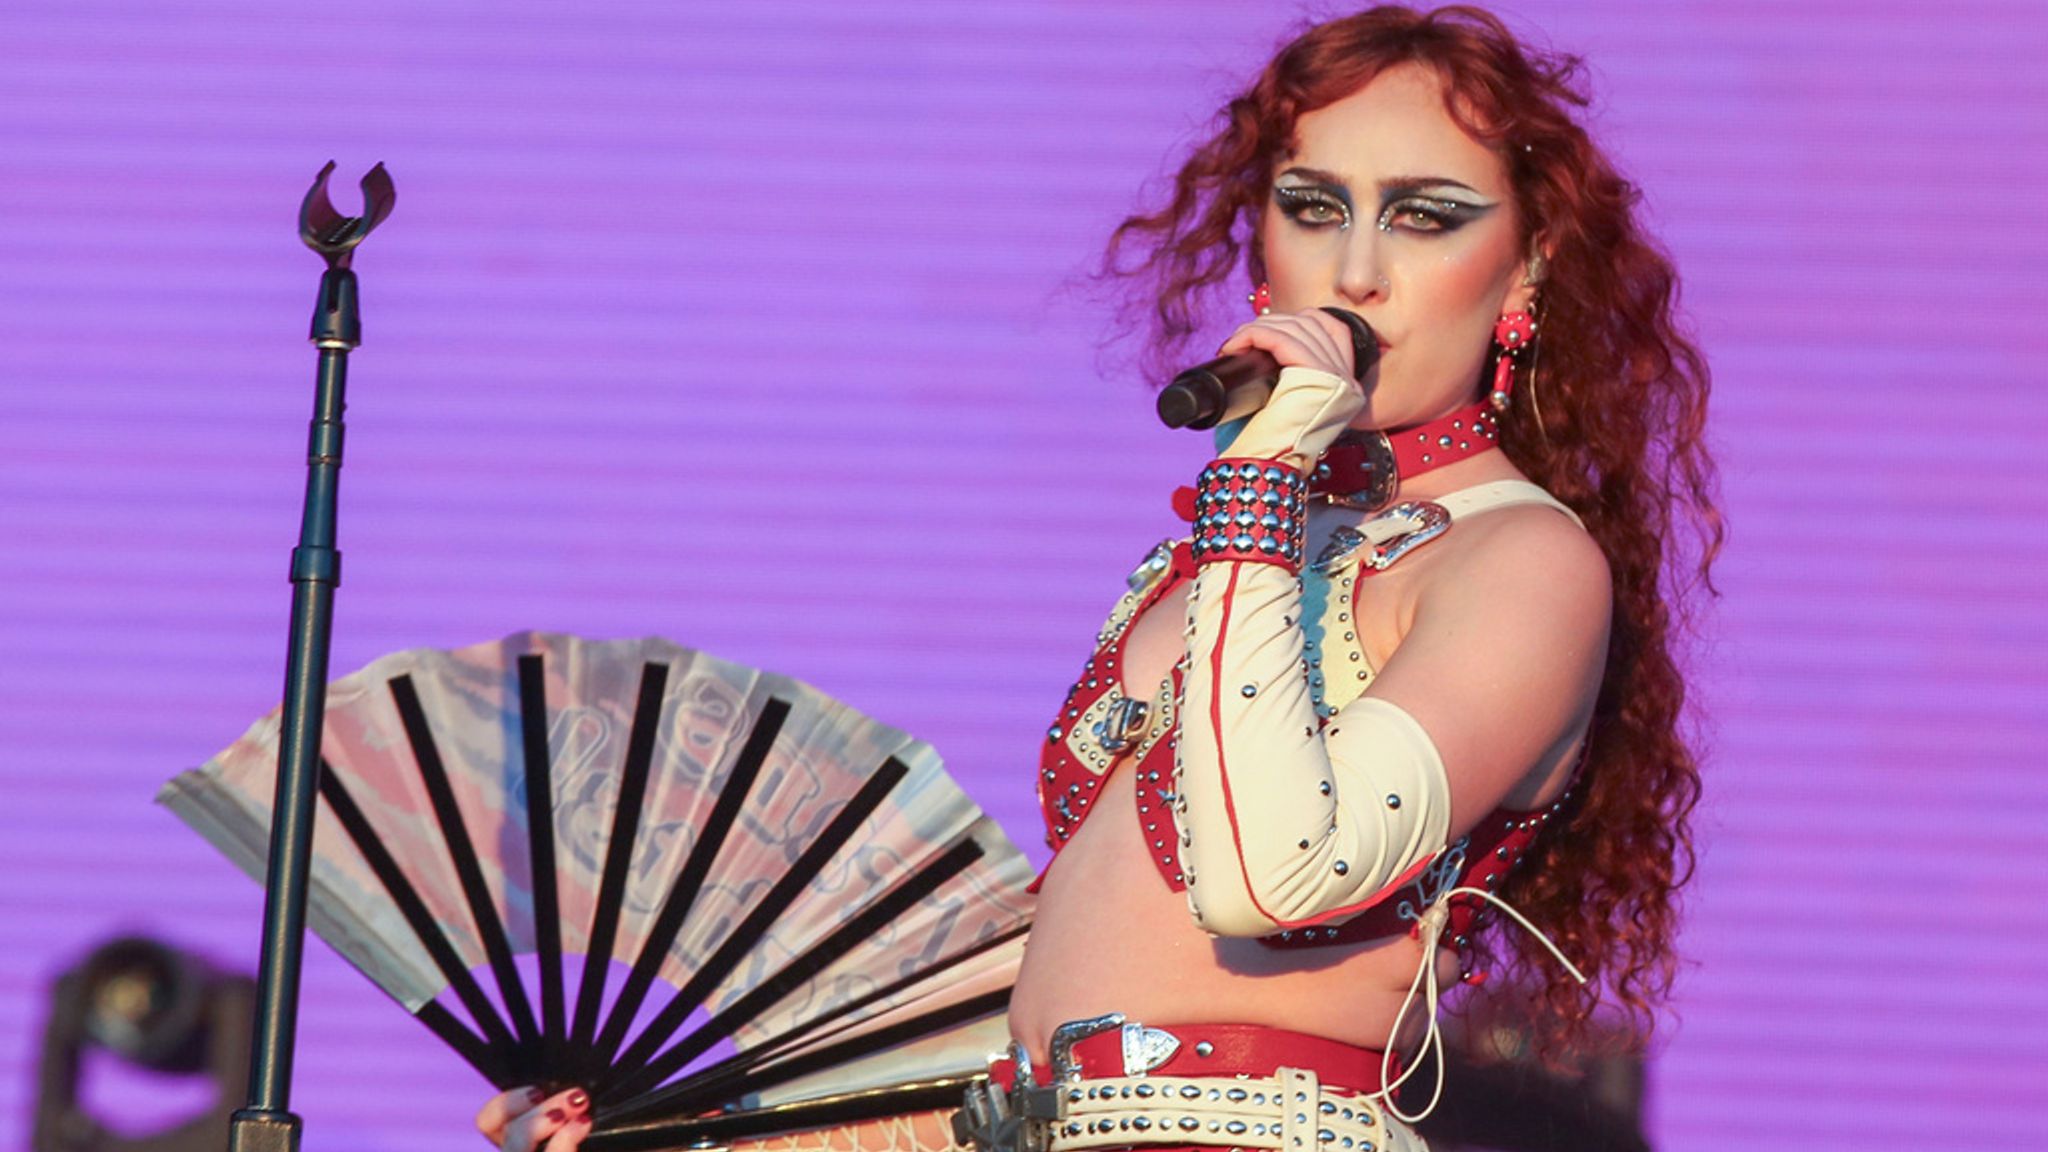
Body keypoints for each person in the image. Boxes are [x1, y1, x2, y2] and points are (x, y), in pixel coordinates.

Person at [478, 6, 1716, 1151]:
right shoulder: (1220, 555)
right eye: (1312, 204)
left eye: (1423, 215)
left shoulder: (1520, 559)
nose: (1354, 274)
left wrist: (1260, 481)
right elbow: (1040, 1034)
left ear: (1530, 266)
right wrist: (673, 1132)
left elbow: (1269, 879)